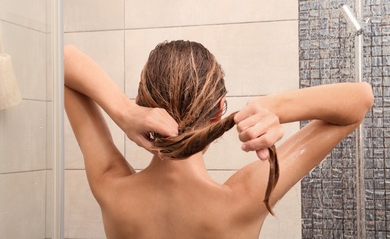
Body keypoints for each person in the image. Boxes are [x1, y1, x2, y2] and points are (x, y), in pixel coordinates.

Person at [64, 40, 373, 239]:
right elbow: (360, 100)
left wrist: (122, 110)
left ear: (142, 102)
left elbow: (61, 59)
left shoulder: (111, 187)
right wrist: (273, 107)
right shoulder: (244, 200)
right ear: (219, 111)